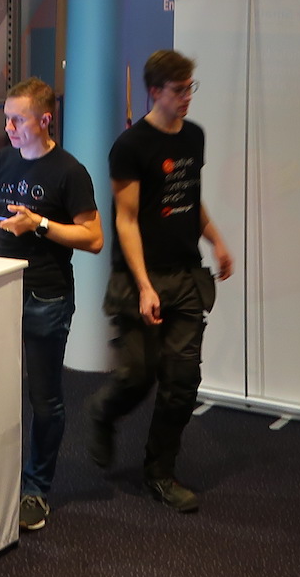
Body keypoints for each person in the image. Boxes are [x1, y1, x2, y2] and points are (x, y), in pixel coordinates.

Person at [85, 49, 234, 515]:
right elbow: (126, 220)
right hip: (140, 282)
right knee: (136, 376)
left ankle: (160, 472)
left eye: (191, 88)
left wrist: (215, 239)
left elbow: (189, 196)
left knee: (182, 381)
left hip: (187, 275)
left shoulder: (193, 137)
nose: (187, 97)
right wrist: (145, 285)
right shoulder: (130, 147)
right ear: (155, 92)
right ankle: (103, 414)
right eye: (179, 90)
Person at [0, 78, 103, 533]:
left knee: (44, 400)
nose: (8, 127)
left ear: (44, 120)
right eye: (6, 118)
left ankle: (35, 490)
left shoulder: (69, 171)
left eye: (17, 119)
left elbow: (94, 238)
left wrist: (39, 224)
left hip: (46, 294)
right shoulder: (2, 162)